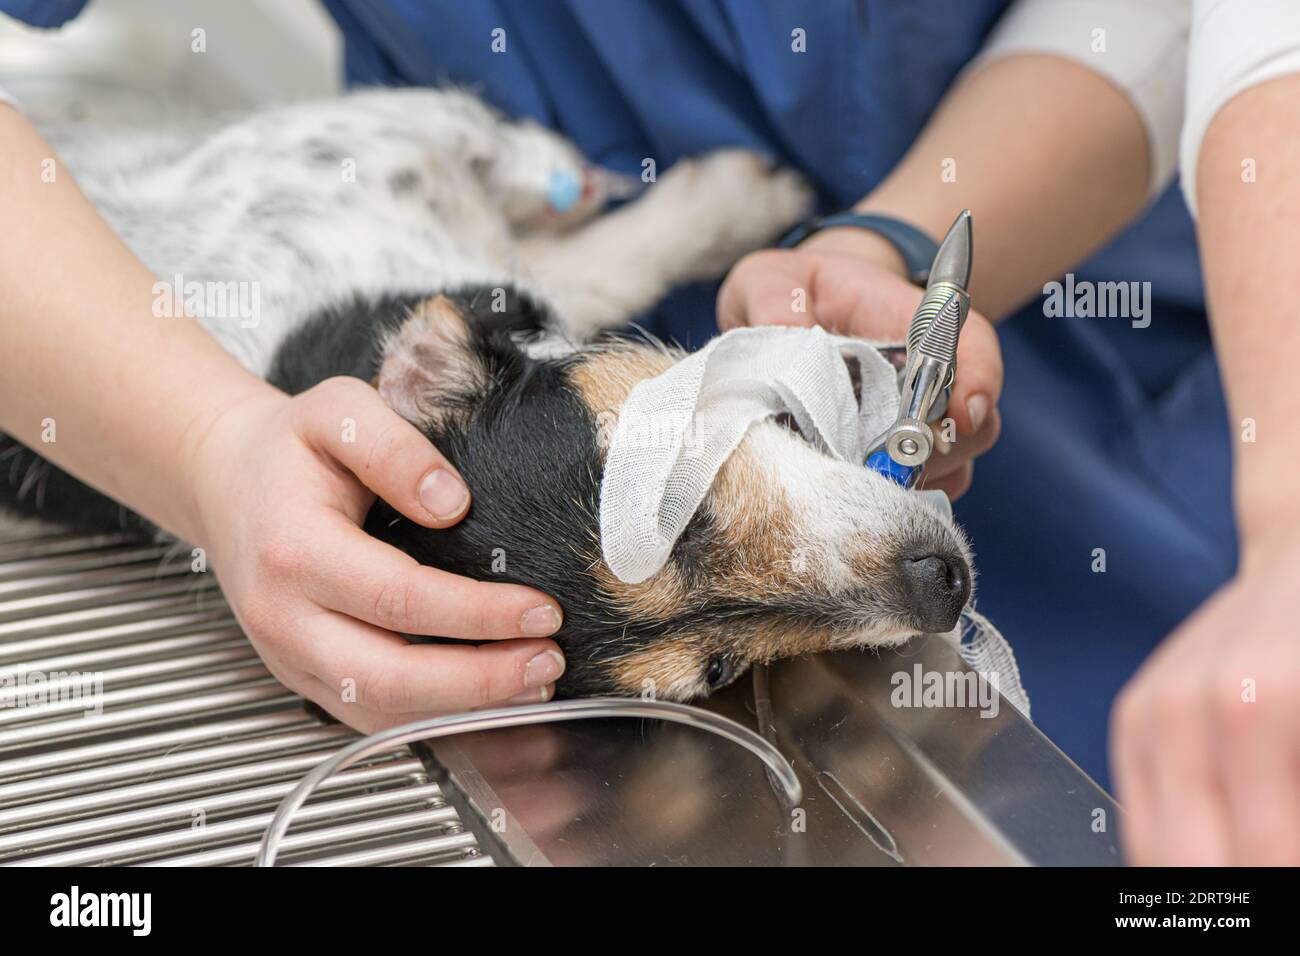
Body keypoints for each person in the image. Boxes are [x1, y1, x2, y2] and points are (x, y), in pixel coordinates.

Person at [0, 0, 1295, 865]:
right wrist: (209, 444)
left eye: (681, 506)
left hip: (1153, 334)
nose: (895, 597)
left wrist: (902, 234)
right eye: (720, 650)